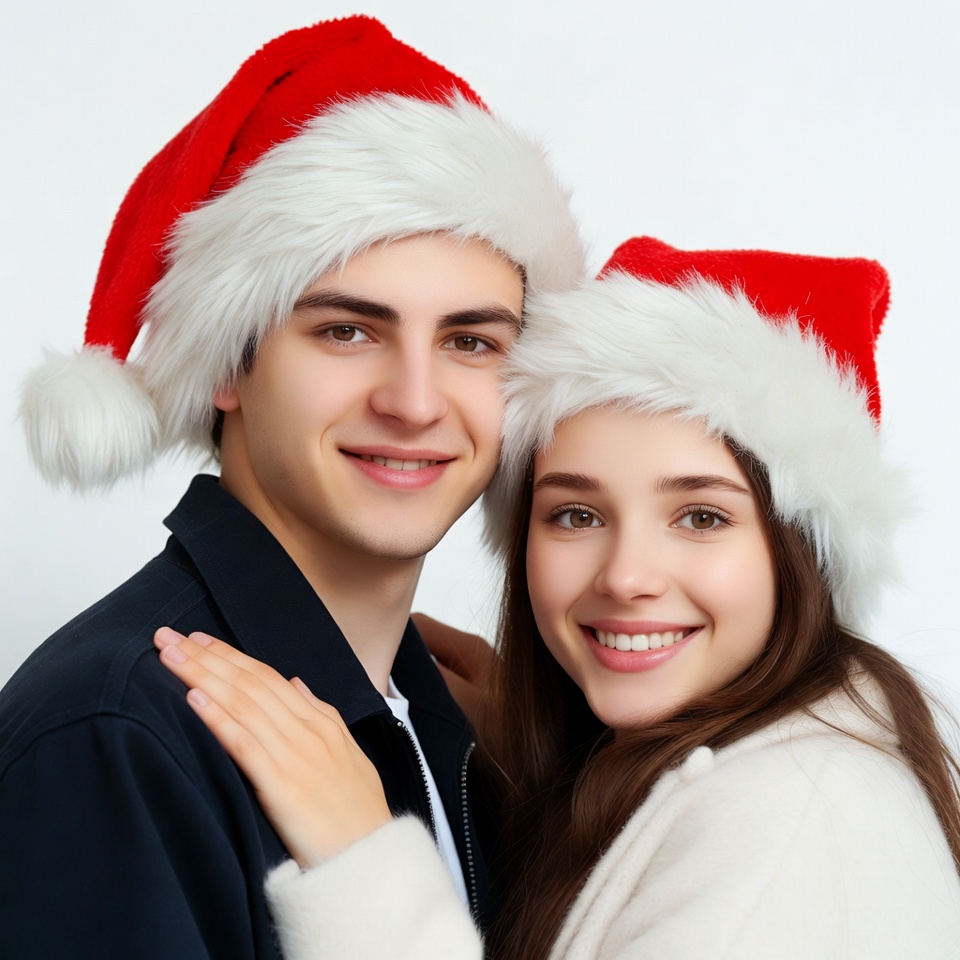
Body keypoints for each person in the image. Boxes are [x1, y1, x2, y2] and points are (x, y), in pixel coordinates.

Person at [155, 237, 960, 958]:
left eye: (702, 516)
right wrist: (555, 755)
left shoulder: (797, 827)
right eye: (576, 514)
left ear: (800, 552)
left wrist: (366, 866)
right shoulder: (719, 768)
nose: (625, 576)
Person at [0, 16, 583, 959]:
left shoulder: (450, 724)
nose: (415, 401)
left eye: (471, 341)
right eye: (348, 331)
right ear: (228, 363)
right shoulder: (116, 738)